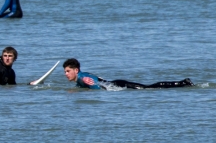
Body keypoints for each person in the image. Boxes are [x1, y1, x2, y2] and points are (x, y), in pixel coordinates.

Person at [63, 58, 193, 90]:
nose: (66, 74)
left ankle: (182, 83)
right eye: (65, 72)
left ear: (76, 70)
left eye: (68, 71)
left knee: (149, 88)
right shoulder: (81, 77)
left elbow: (94, 86)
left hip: (117, 84)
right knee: (148, 87)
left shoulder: (82, 77)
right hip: (115, 83)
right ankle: (182, 83)